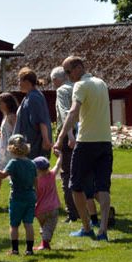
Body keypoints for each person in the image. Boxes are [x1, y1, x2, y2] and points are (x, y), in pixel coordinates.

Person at [55, 55, 113, 241]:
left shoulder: (80, 85)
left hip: (86, 142)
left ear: (79, 67)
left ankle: (87, 227)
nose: (67, 75)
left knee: (76, 185)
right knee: (103, 186)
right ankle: (103, 230)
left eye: (68, 71)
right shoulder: (101, 83)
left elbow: (73, 112)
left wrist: (61, 137)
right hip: (105, 141)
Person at [0, 134, 37, 255]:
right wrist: (36, 197)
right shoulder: (32, 164)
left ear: (11, 148)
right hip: (30, 196)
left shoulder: (13, 163)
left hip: (17, 197)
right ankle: (29, 249)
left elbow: (2, 175)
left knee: (14, 224)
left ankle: (15, 250)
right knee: (29, 223)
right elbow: (36, 183)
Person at [51, 65, 80, 221]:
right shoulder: (77, 87)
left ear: (56, 79)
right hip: (83, 132)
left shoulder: (62, 91)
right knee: (82, 172)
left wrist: (67, 136)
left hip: (69, 134)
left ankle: (72, 212)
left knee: (66, 174)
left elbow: (64, 114)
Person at [14, 67, 52, 159]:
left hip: (35, 144)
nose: (18, 84)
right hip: (28, 143)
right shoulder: (29, 96)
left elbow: (41, 121)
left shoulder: (34, 98)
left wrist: (46, 140)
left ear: (27, 82)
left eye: (20, 81)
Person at [32, 155, 62, 251]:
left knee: (45, 227)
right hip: (53, 208)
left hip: (40, 210)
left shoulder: (35, 181)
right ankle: (45, 244)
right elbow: (57, 165)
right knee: (48, 227)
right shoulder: (52, 175)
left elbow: (35, 196)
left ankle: (44, 243)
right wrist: (60, 156)